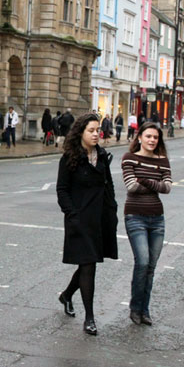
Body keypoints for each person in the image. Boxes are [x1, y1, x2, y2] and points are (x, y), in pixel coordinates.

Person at [56, 113, 118, 336]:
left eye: (97, 130)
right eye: (91, 130)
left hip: (99, 219)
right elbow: (62, 190)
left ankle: (66, 295)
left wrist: (112, 211)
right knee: (89, 264)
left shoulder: (102, 156)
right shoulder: (70, 158)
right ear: (80, 132)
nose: (95, 134)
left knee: (86, 263)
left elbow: (108, 185)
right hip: (79, 220)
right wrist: (72, 215)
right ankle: (90, 318)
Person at [121, 122, 172, 326]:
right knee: (142, 262)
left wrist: (145, 180)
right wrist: (154, 184)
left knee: (151, 266)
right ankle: (135, 308)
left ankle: (145, 310)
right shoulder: (129, 158)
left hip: (157, 219)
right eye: (148, 136)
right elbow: (131, 186)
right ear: (139, 137)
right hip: (135, 217)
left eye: (156, 137)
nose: (152, 140)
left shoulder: (163, 160)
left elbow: (167, 188)